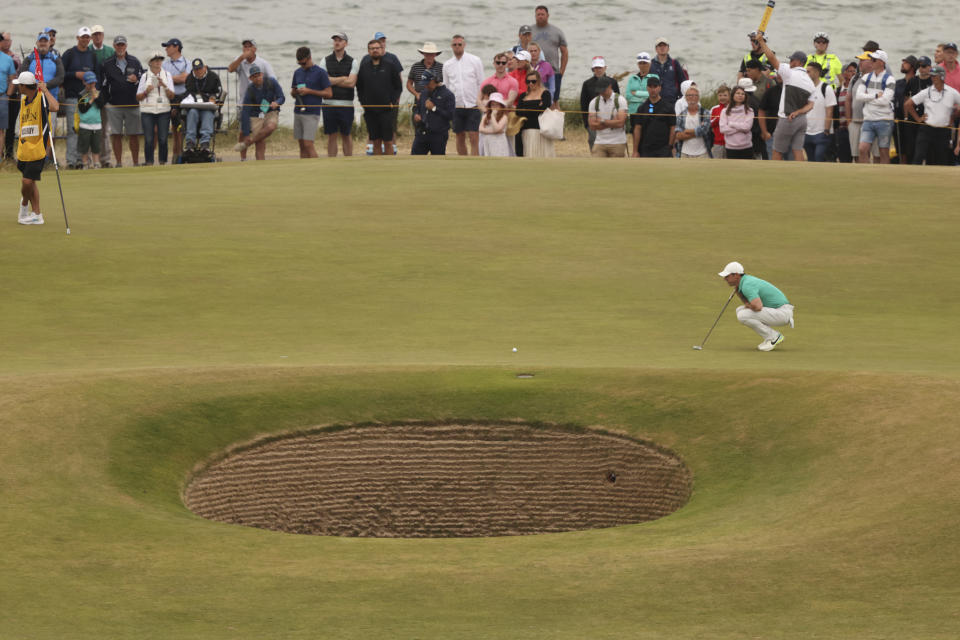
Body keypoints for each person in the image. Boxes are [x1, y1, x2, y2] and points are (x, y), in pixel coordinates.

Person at [758, 38, 815, 161]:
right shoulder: (810, 82)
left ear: (799, 62)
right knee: (797, 150)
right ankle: (800, 176)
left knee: (777, 150)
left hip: (786, 118)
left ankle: (775, 175)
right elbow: (811, 105)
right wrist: (799, 112)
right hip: (802, 120)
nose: (790, 62)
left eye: (792, 60)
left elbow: (771, 58)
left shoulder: (789, 72)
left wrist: (761, 42)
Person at [13, 71, 58, 225]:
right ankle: (37, 214)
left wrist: (45, 90)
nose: (18, 87)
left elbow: (55, 107)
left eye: (20, 84)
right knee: (31, 182)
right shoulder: (23, 99)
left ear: (25, 86)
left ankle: (24, 206)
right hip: (24, 149)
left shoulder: (41, 99)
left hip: (38, 148)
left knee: (27, 182)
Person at [718, 261, 794, 352]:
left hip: (782, 313)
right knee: (740, 310)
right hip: (777, 312)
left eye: (727, 276)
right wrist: (740, 294)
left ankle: (774, 337)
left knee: (743, 315)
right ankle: (771, 337)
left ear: (736, 275)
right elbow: (749, 304)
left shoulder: (747, 285)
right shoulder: (745, 281)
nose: (725, 279)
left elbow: (758, 307)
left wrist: (747, 303)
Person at [227, 39, 275, 161]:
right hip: (244, 103)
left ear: (255, 49)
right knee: (244, 132)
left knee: (259, 134)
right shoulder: (240, 61)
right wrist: (241, 58)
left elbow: (272, 81)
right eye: (244, 47)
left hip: (260, 104)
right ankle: (243, 159)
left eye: (249, 46)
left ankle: (260, 159)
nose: (247, 49)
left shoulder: (263, 63)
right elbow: (230, 69)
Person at [100, 35, 143, 167]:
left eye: (122, 45)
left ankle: (135, 162)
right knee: (116, 134)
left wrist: (136, 80)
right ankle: (118, 162)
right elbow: (103, 85)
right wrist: (105, 102)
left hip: (132, 104)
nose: (120, 47)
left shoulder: (135, 62)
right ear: (114, 46)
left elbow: (143, 81)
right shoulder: (107, 64)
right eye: (118, 45)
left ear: (126, 46)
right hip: (114, 105)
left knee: (134, 135)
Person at [904, 66, 960, 165]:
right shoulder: (926, 92)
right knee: (919, 157)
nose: (932, 78)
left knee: (941, 159)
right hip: (926, 130)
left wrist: (954, 116)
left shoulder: (952, 93)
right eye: (932, 76)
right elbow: (908, 104)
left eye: (935, 76)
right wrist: (918, 119)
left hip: (943, 131)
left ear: (942, 77)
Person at [61, 26, 99, 169]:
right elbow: (61, 74)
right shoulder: (70, 54)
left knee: (86, 129)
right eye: (83, 37)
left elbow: (98, 74)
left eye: (87, 37)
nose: (85, 39)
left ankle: (81, 159)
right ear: (77, 38)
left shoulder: (92, 55)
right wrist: (75, 74)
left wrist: (96, 91)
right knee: (73, 129)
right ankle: (71, 160)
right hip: (72, 97)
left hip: (88, 98)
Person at [20, 33, 64, 154]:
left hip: (50, 99)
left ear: (50, 43)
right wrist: (35, 86)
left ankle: (48, 157)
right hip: (32, 100)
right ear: (37, 43)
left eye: (46, 41)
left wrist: (45, 86)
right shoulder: (30, 58)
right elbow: (22, 74)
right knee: (32, 129)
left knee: (50, 130)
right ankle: (31, 153)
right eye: (41, 41)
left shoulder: (55, 59)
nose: (43, 43)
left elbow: (60, 77)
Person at [356, 39, 402, 156]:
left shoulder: (390, 66)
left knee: (388, 141)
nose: (375, 50)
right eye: (372, 49)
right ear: (368, 51)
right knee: (375, 142)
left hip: (387, 110)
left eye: (377, 48)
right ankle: (377, 166)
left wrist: (393, 102)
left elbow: (398, 87)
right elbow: (359, 87)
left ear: (381, 49)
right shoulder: (364, 67)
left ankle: (390, 168)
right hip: (370, 110)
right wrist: (363, 103)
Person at [319, 32, 358, 157]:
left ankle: (348, 161)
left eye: (340, 40)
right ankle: (331, 162)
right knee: (332, 135)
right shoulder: (324, 60)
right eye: (335, 40)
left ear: (345, 43)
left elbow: (351, 83)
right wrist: (342, 78)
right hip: (328, 104)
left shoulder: (353, 61)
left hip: (346, 104)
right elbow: (324, 81)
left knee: (346, 134)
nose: (337, 42)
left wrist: (332, 80)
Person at [443, 35, 484, 156]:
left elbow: (481, 82)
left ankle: (475, 161)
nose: (457, 47)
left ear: (464, 45)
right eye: (454, 45)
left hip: (473, 104)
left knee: (473, 135)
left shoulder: (475, 60)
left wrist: (480, 100)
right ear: (451, 46)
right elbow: (446, 86)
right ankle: (463, 160)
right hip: (456, 105)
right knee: (459, 135)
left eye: (459, 44)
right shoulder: (447, 65)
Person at [288, 46, 332, 159]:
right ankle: (304, 171)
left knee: (308, 144)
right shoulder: (297, 72)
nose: (302, 66)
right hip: (298, 110)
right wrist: (295, 92)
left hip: (312, 112)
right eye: (300, 64)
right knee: (302, 145)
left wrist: (309, 91)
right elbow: (293, 92)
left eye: (304, 63)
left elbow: (329, 94)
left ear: (310, 58)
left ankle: (317, 169)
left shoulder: (321, 73)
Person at [854, 50, 894, 164]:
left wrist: (868, 99)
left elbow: (885, 100)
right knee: (862, 149)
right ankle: (866, 175)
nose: (871, 61)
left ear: (881, 62)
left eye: (874, 60)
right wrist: (875, 95)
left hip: (884, 120)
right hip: (868, 119)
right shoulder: (866, 77)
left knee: (883, 152)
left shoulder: (889, 79)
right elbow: (859, 96)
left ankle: (885, 176)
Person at [237, 64, 284, 160]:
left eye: (258, 75)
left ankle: (248, 143)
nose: (257, 78)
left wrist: (277, 102)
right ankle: (260, 165)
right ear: (250, 78)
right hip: (256, 115)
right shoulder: (250, 90)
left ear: (262, 74)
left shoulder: (272, 82)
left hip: (271, 112)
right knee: (260, 141)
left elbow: (282, 97)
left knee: (271, 126)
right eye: (254, 76)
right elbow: (245, 112)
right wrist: (246, 134)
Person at [136, 51, 175, 165]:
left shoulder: (167, 75)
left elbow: (172, 96)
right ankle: (149, 162)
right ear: (150, 63)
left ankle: (162, 161)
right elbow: (138, 97)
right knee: (148, 139)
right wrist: (146, 91)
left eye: (160, 60)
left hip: (163, 110)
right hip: (147, 110)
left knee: (163, 138)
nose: (158, 62)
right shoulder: (145, 76)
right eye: (155, 60)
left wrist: (165, 86)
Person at [530, 5, 567, 106]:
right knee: (534, 100)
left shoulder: (557, 32)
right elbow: (522, 50)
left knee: (554, 101)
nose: (540, 16)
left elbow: (564, 52)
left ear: (548, 15)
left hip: (553, 72)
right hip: (533, 73)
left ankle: (557, 121)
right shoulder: (529, 31)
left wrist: (561, 71)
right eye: (538, 14)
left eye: (542, 14)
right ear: (535, 16)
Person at [579, 56, 619, 151]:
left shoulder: (613, 82)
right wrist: (587, 124)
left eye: (600, 67)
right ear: (592, 69)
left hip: (610, 119)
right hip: (593, 120)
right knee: (594, 141)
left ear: (605, 67)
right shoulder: (587, 84)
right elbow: (584, 105)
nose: (598, 70)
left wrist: (615, 120)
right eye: (596, 68)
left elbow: (618, 102)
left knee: (611, 143)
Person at [182, 58, 221, 152]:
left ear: (205, 67)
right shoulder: (190, 78)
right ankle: (190, 142)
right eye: (196, 69)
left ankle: (205, 143)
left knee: (207, 114)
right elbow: (188, 93)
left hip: (208, 106)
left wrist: (213, 98)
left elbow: (218, 92)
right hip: (194, 106)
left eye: (200, 69)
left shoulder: (213, 76)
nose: (198, 71)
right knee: (192, 113)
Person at [411, 69, 455, 155]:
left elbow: (451, 115)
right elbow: (417, 108)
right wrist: (416, 115)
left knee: (438, 163)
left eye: (427, 83)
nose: (426, 86)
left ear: (435, 80)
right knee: (414, 160)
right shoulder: (423, 93)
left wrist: (434, 108)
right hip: (421, 133)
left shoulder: (448, 95)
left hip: (439, 135)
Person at [631, 76, 674, 158]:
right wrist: (635, 151)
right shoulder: (642, 108)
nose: (653, 89)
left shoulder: (668, 107)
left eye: (655, 87)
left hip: (663, 149)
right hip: (646, 149)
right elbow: (637, 128)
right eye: (650, 87)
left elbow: (673, 127)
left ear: (660, 88)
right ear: (647, 88)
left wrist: (670, 146)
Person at [515, 68, 554, 157]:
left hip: (540, 131)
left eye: (533, 81)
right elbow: (518, 112)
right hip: (525, 130)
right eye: (528, 82)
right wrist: (536, 107)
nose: (531, 84)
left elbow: (543, 109)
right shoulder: (523, 95)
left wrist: (525, 109)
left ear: (539, 81)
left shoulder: (545, 93)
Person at [803, 61, 836, 162]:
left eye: (808, 72)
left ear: (817, 73)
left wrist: (826, 130)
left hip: (821, 132)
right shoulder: (805, 89)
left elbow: (829, 111)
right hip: (807, 132)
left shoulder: (826, 88)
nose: (806, 74)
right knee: (810, 160)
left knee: (819, 158)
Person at [162, 38, 189, 159]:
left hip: (182, 98)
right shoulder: (164, 64)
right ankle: (174, 155)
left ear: (176, 47)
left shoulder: (187, 63)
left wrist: (168, 78)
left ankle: (178, 155)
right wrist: (176, 78)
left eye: (168, 46)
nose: (166, 49)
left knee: (179, 129)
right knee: (169, 129)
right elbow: (160, 79)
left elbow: (185, 79)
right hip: (167, 98)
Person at [588, 77, 628, 157]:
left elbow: (620, 123)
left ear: (610, 86)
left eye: (603, 90)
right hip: (599, 142)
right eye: (600, 90)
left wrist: (601, 121)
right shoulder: (593, 102)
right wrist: (612, 122)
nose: (602, 92)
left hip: (617, 142)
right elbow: (592, 125)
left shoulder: (621, 100)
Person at [649, 37, 688, 108]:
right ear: (656, 49)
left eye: (664, 46)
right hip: (654, 101)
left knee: (672, 119)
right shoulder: (650, 64)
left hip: (672, 101)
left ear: (668, 48)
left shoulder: (674, 63)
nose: (662, 48)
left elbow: (683, 82)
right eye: (660, 46)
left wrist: (681, 98)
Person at [76, 71, 104, 168]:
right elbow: (83, 109)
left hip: (97, 124)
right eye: (89, 83)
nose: (92, 85)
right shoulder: (81, 94)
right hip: (84, 125)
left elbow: (101, 105)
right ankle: (85, 163)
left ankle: (96, 163)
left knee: (96, 146)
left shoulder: (98, 93)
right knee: (84, 147)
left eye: (93, 83)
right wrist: (92, 99)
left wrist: (96, 97)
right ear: (84, 82)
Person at [675, 84, 710, 158]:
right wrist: (697, 131)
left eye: (694, 95)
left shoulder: (705, 113)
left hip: (702, 153)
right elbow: (678, 135)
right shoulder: (682, 114)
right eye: (689, 95)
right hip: (684, 153)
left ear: (698, 97)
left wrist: (686, 131)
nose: (692, 97)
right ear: (686, 98)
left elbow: (705, 130)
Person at [719, 84, 754, 159]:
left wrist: (731, 124)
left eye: (742, 94)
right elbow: (723, 129)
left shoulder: (749, 110)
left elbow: (747, 127)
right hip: (731, 148)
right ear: (733, 95)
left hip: (746, 147)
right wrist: (740, 128)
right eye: (738, 93)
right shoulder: (724, 111)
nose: (740, 95)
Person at [834, 61, 857, 162]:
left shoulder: (858, 89)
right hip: (843, 129)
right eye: (849, 71)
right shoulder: (838, 91)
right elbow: (835, 110)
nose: (853, 73)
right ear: (844, 74)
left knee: (858, 156)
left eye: (854, 71)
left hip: (856, 127)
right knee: (844, 158)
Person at [478, 91, 510, 156]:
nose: (494, 107)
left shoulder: (504, 117)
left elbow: (497, 128)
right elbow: (480, 129)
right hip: (488, 141)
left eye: (497, 104)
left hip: (499, 142)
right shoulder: (485, 116)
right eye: (492, 105)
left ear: (501, 106)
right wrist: (494, 131)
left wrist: (493, 116)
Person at [0, 37, 16, 161]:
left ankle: (0, 157)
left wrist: (8, 95)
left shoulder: (7, 59)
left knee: (1, 130)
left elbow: (12, 78)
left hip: (2, 98)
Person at [709, 84, 730, 158]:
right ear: (717, 96)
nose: (722, 97)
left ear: (729, 96)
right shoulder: (714, 109)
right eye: (720, 95)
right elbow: (709, 124)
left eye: (725, 95)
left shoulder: (733, 109)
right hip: (717, 143)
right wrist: (718, 119)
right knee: (717, 165)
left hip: (731, 143)